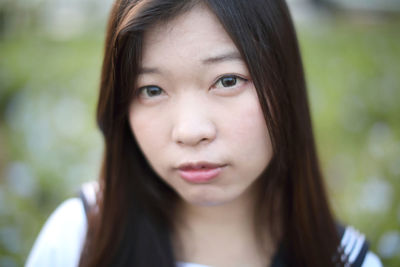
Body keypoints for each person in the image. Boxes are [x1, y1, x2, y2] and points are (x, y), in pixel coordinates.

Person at [26, 0, 383, 266]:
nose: (190, 131)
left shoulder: (349, 261)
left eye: (228, 81)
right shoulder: (79, 240)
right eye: (151, 90)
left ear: (284, 84)